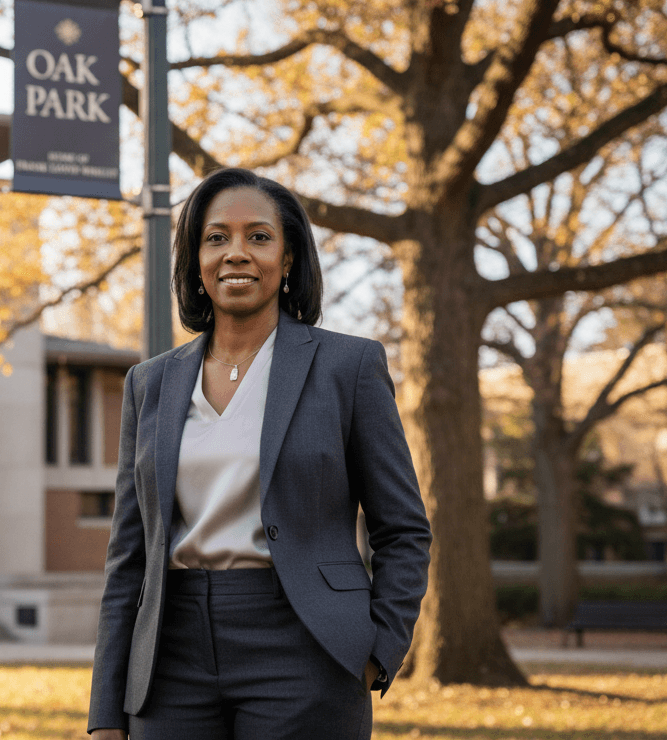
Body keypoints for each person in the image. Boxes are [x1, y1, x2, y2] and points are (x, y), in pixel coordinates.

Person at [86, 168, 431, 740]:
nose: (236, 253)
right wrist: (105, 712)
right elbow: (129, 555)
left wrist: (378, 647)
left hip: (306, 647)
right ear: (195, 261)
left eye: (259, 237)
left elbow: (403, 528)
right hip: (170, 659)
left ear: (289, 257)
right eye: (216, 238)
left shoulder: (348, 367)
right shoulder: (150, 384)